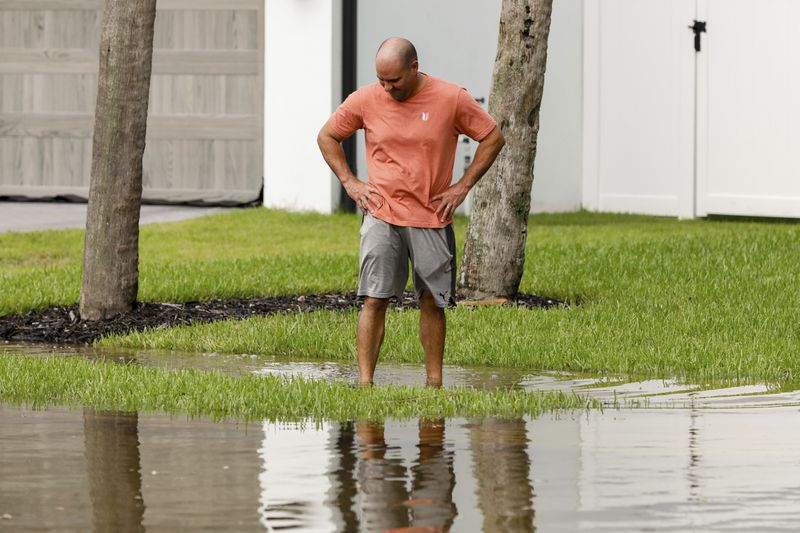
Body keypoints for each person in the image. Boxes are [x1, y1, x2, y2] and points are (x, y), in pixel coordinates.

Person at [317, 37, 505, 386]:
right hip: (381, 213)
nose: (386, 88)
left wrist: (462, 187)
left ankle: (434, 383)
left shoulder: (451, 98)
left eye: (395, 81)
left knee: (432, 301)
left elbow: (492, 137)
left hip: (431, 216)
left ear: (414, 68)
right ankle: (364, 384)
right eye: (381, 80)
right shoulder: (365, 99)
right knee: (374, 299)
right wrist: (350, 183)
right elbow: (327, 136)